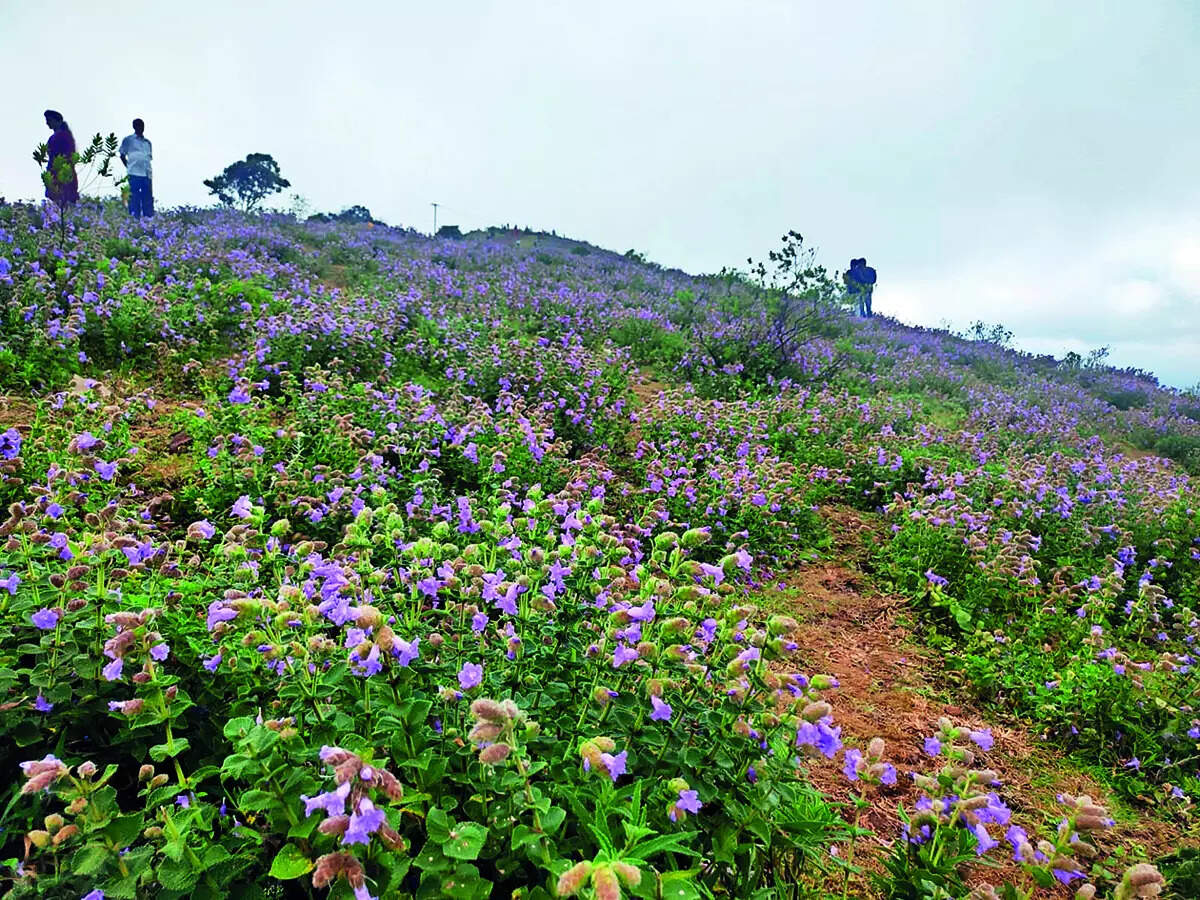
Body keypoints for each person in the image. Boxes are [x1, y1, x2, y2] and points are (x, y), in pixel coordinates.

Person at [43, 110, 79, 207]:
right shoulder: (57, 136)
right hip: (56, 173)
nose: (47, 123)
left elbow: (67, 156)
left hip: (63, 173)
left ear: (57, 121)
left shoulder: (63, 136)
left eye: (49, 120)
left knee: (63, 202)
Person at [119, 118, 153, 218]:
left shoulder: (147, 142)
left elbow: (148, 158)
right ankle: (134, 218)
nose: (140, 128)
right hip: (134, 173)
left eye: (142, 126)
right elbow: (122, 155)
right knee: (134, 197)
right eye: (138, 125)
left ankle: (148, 220)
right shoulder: (128, 140)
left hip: (146, 174)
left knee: (147, 198)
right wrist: (128, 166)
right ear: (134, 127)